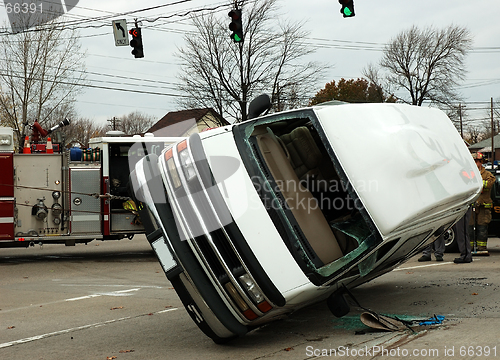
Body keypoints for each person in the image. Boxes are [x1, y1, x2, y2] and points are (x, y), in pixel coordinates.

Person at [469, 152, 495, 256]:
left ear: (481, 162)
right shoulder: (468, 173)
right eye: (474, 161)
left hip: (483, 206)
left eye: (477, 161)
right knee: (470, 227)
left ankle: (481, 248)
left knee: (482, 227)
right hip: (471, 206)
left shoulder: (488, 174)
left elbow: (489, 184)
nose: (476, 163)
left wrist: (476, 183)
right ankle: (469, 247)